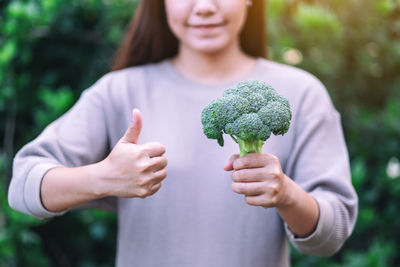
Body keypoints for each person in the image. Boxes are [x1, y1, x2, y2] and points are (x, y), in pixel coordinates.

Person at [8, 0, 358, 266]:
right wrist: (102, 177)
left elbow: (331, 234)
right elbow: (23, 187)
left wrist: (287, 195)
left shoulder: (301, 94)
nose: (204, 7)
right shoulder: (119, 92)